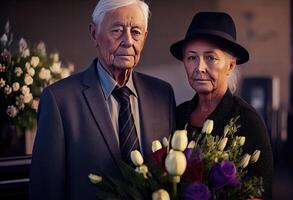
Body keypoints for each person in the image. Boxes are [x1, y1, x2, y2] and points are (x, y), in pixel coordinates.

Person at [29, 0, 176, 200]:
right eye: (117, 31)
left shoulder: (162, 94)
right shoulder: (59, 100)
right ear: (94, 33)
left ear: (145, 38)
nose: (128, 41)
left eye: (136, 32)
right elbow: (45, 192)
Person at [170, 12, 273, 199]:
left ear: (231, 65)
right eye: (192, 57)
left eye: (211, 58)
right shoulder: (178, 114)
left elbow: (261, 192)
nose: (199, 67)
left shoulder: (248, 121)